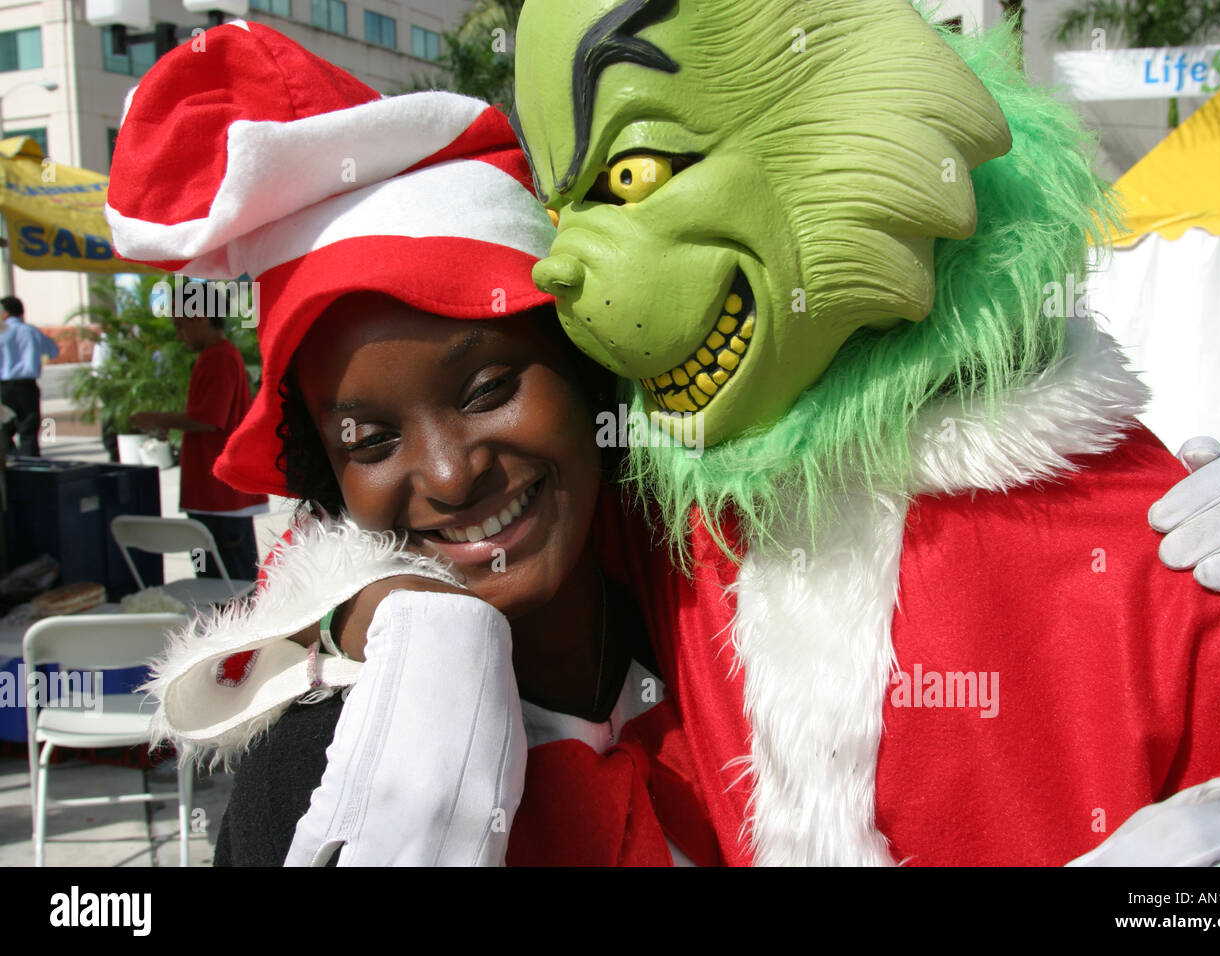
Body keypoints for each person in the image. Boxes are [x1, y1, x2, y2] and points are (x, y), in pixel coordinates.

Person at [512, 0, 1220, 865]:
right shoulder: (671, 524)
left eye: (632, 175)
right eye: (567, 206)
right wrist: (370, 605)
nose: (559, 266)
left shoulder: (1185, 564)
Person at [113, 23, 717, 867]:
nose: (448, 474)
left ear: (588, 375)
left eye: (490, 389)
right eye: (370, 439)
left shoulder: (726, 632)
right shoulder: (323, 773)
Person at [130, 311, 268, 581]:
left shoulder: (219, 356)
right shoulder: (218, 355)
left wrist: (156, 418)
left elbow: (208, 419)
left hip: (217, 494)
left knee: (226, 583)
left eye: (180, 326)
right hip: (213, 493)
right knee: (217, 577)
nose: (178, 335)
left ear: (200, 317)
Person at [0, 295, 58, 458]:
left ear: (5, 313)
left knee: (4, 429)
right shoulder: (32, 331)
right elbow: (53, 351)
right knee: (29, 429)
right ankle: (30, 465)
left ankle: (9, 462)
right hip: (27, 386)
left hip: (3, 388)